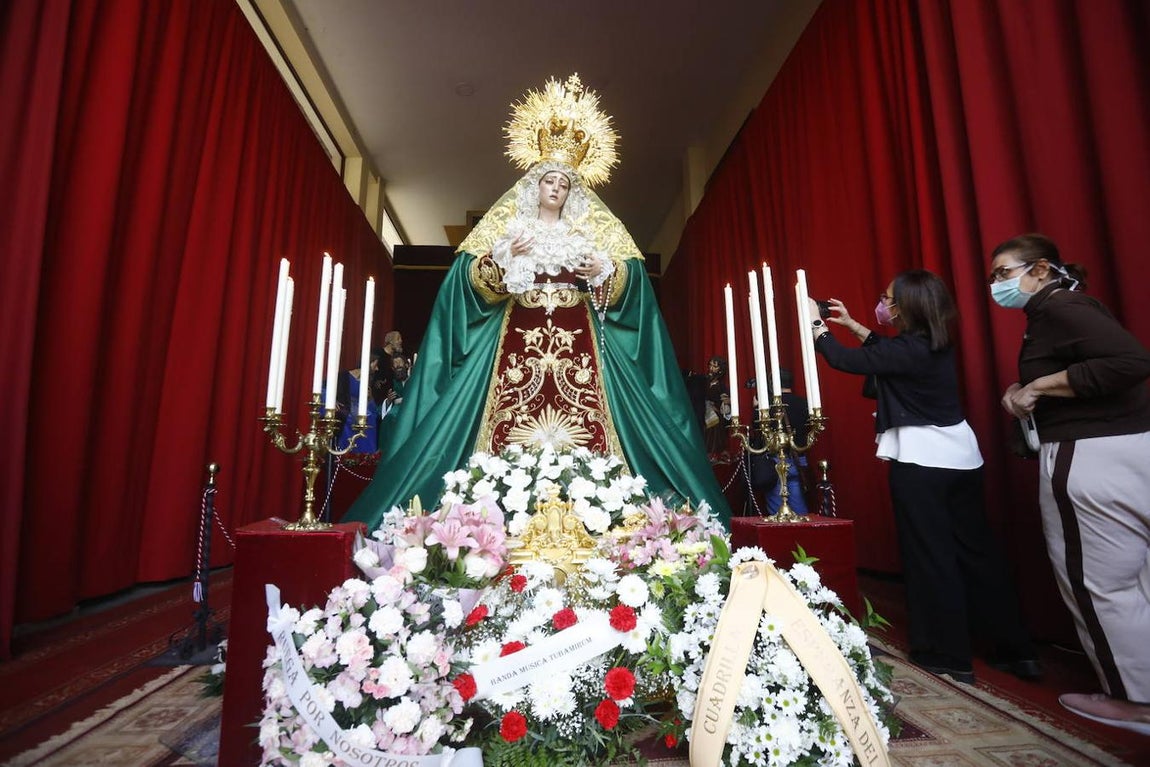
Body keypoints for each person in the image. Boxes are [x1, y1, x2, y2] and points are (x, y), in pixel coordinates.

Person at [343, 75, 730, 530]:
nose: (556, 189)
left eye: (564, 185)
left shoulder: (592, 231)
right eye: (548, 181)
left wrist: (605, 273)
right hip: (514, 337)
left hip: (583, 341)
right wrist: (505, 264)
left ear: (572, 193)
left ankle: (603, 513)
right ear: (535, 185)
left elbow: (632, 286)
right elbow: (464, 282)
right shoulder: (510, 229)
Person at [810, 269, 1037, 685]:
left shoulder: (910, 349)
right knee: (977, 552)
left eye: (889, 298)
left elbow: (849, 361)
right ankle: (1014, 650)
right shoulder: (931, 342)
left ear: (908, 306)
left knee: (930, 556)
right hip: (961, 458)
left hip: (922, 462)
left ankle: (946, 653)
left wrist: (814, 326)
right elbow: (887, 355)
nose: (885, 304)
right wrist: (855, 326)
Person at [989, 233, 1150, 733]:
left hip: (1089, 457)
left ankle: (1134, 702)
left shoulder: (1059, 308)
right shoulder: (1061, 309)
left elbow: (1130, 363)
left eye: (1003, 272)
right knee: (1135, 579)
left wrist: (1037, 386)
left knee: (1098, 583)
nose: (995, 284)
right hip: (1124, 449)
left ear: (1039, 270)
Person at [765, 368, 809, 515]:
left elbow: (759, 429)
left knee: (777, 507)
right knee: (798, 503)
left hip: (776, 459)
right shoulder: (803, 403)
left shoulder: (769, 406)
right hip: (798, 456)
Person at [333, 351, 382, 453]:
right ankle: (347, 451)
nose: (377, 369)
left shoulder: (370, 380)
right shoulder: (344, 376)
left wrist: (370, 397)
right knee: (350, 418)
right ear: (368, 363)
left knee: (372, 417)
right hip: (347, 408)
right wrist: (333, 401)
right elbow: (329, 389)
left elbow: (372, 405)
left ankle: (367, 454)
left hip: (363, 409)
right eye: (375, 365)